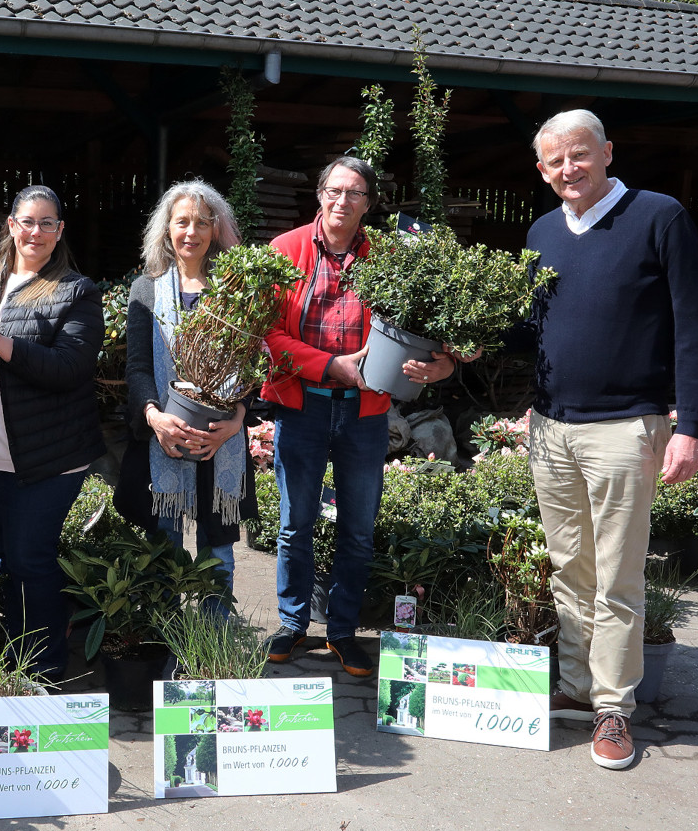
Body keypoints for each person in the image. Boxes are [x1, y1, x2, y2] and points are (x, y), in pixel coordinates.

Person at [525, 109, 698, 769]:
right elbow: (531, 329)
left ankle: (613, 708)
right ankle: (578, 689)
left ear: (606, 151)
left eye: (578, 154)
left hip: (626, 425)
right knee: (569, 567)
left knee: (616, 575)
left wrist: (689, 426)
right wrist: (457, 350)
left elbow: (693, 326)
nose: (568, 168)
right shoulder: (541, 232)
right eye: (554, 161)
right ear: (541, 170)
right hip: (551, 426)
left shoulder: (658, 217)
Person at [261, 155, 458, 677]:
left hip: (365, 413)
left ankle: (343, 630)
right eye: (334, 190)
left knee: (357, 530)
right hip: (302, 407)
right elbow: (269, 334)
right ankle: (293, 622)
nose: (342, 201)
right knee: (295, 524)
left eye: (355, 193)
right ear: (320, 195)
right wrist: (331, 366)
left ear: (368, 203)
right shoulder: (285, 251)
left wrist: (446, 358)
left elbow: (429, 320)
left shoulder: (391, 258)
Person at [0, 185, 105, 680]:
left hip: (49, 456)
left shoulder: (75, 291)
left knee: (30, 558)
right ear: (11, 226)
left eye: (47, 223)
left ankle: (45, 671)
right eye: (27, 221)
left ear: (60, 231)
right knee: (8, 559)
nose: (36, 232)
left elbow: (70, 368)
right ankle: (16, 658)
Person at [116, 180, 255, 615]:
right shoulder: (146, 290)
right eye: (182, 222)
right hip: (166, 437)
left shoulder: (236, 290)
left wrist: (237, 422)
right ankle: (166, 637)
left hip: (219, 438)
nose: (191, 232)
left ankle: (215, 640)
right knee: (164, 549)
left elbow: (253, 367)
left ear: (216, 229)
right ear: (167, 229)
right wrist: (154, 417)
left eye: (201, 223)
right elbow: (138, 368)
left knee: (219, 557)